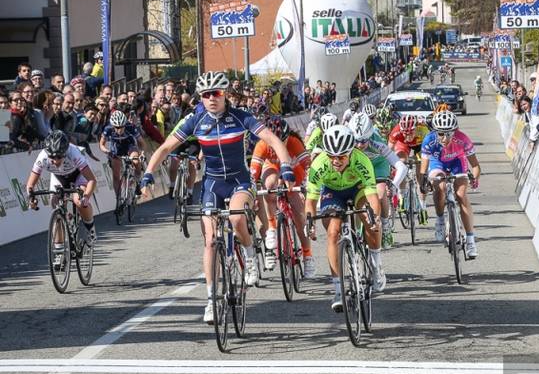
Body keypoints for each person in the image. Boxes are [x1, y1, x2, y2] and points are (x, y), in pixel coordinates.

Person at [140, 71, 295, 324]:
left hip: (239, 181)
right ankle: (211, 300)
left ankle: (248, 253)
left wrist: (286, 165)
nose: (211, 98)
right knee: (211, 241)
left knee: (236, 218)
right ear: (200, 98)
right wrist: (148, 173)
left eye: (217, 93)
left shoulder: (240, 117)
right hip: (212, 184)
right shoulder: (194, 120)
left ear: (225, 95)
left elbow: (273, 139)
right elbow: (166, 146)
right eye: (206, 94)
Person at [305, 125, 383, 312]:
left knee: (368, 216)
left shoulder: (362, 161)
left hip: (358, 189)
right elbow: (310, 200)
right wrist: (309, 224)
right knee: (333, 232)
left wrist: (376, 218)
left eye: (341, 156)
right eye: (332, 156)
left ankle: (376, 264)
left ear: (351, 152)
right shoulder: (319, 165)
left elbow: (373, 196)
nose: (336, 161)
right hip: (332, 192)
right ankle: (338, 290)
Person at [250, 117, 313, 275]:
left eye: (281, 141)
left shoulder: (293, 142)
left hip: (293, 172)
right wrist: (251, 192)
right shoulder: (262, 144)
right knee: (269, 185)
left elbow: (308, 166)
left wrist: (309, 185)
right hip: (272, 168)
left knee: (300, 219)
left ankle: (307, 255)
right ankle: (272, 227)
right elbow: (253, 174)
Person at [420, 110, 481, 259]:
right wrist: (423, 182)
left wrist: (474, 178)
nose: (444, 137)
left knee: (461, 195)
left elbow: (475, 165)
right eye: (440, 133)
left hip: (457, 163)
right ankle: (440, 219)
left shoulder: (463, 139)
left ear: (455, 131)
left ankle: (471, 239)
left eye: (448, 133)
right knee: (439, 187)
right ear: (435, 131)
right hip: (437, 162)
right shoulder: (429, 140)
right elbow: (424, 167)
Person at [26, 131, 97, 250]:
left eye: (59, 156)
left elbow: (92, 180)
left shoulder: (74, 153)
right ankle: (59, 250)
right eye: (52, 157)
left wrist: (86, 197)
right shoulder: (43, 156)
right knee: (55, 205)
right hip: (58, 177)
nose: (55, 160)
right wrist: (31, 198)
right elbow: (30, 185)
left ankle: (90, 227)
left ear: (65, 152)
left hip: (78, 175)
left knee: (79, 201)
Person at [348, 113, 408, 249]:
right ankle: (357, 232)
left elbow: (401, 167)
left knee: (380, 195)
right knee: (356, 199)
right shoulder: (348, 141)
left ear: (370, 136)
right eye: (356, 140)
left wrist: (393, 185)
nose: (359, 144)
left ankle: (385, 226)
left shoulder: (377, 143)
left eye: (364, 141)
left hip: (377, 166)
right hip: (358, 168)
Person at [388, 114, 430, 224]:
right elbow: (388, 152)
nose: (407, 135)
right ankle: (402, 195)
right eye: (405, 132)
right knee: (401, 163)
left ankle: (422, 206)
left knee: (421, 172)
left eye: (410, 132)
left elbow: (428, 152)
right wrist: (392, 166)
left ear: (416, 128)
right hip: (403, 145)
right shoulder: (396, 131)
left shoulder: (423, 130)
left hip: (420, 145)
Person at [99, 110, 145, 198]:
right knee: (116, 175)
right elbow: (101, 144)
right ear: (112, 125)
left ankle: (138, 181)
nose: (119, 129)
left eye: (121, 127)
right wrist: (107, 152)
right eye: (116, 127)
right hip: (116, 148)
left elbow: (142, 143)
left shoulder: (130, 126)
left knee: (135, 161)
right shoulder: (108, 128)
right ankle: (118, 199)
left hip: (129, 145)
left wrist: (141, 153)